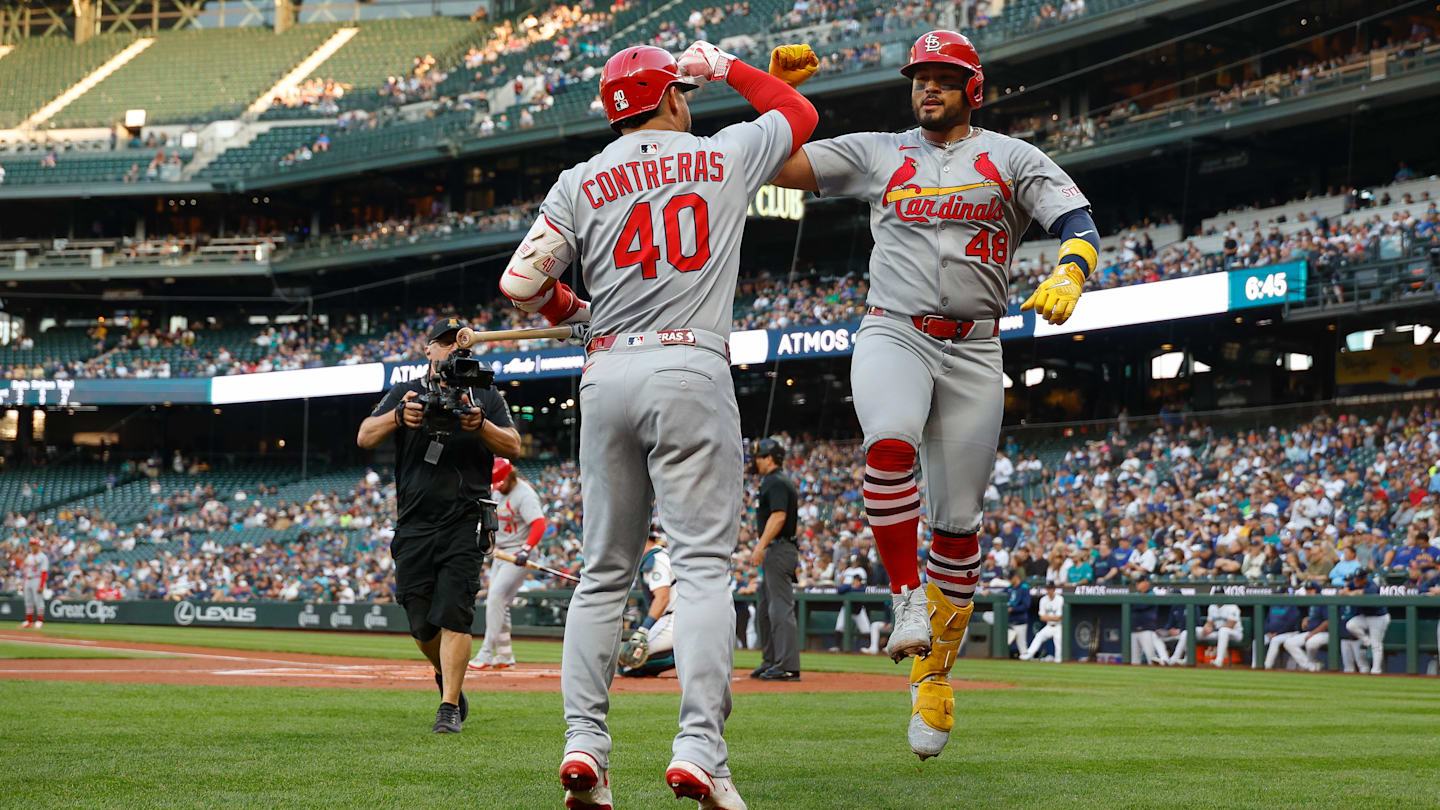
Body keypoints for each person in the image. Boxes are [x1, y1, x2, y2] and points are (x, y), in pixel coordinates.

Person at [497, 41, 816, 809]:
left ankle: (585, 748)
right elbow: (799, 113)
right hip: (689, 365)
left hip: (607, 374)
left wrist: (574, 314)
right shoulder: (724, 152)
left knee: (604, 572)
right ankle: (700, 750)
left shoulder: (579, 179)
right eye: (685, 89)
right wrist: (724, 64)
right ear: (672, 96)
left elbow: (520, 283)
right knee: (702, 568)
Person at [768, 29, 1099, 760]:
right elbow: (780, 164)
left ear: (971, 88)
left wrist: (1072, 270)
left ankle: (933, 680)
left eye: (945, 78)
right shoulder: (881, 150)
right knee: (888, 441)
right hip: (895, 331)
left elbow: (1076, 220)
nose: (929, 88)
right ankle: (903, 596)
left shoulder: (1012, 157)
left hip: (977, 345)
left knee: (958, 523)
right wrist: (777, 97)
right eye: (921, 77)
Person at [356, 316, 522, 734]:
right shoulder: (405, 392)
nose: (450, 350)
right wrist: (399, 416)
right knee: (419, 620)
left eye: (457, 343)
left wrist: (480, 423)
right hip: (414, 522)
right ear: (428, 349)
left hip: (465, 518)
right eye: (442, 343)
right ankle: (448, 675)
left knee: (454, 613)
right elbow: (364, 436)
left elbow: (514, 445)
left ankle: (449, 707)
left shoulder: (484, 394)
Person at [469, 457, 547, 671]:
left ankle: (486, 652)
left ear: (510, 476)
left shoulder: (525, 494)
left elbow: (539, 524)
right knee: (499, 602)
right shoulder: (496, 491)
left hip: (519, 554)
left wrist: (526, 549)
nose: (498, 488)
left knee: (495, 597)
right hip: (502, 553)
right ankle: (505, 655)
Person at [749, 437, 801, 681]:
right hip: (776, 549)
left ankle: (787, 665)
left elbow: (779, 516)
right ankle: (771, 661)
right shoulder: (773, 481)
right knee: (765, 609)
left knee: (779, 608)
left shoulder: (776, 481)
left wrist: (760, 546)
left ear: (769, 458)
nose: (756, 461)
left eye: (759, 457)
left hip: (780, 548)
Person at [618, 528, 678, 678]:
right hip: (681, 616)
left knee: (628, 662)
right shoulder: (662, 554)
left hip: (673, 619)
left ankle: (681, 656)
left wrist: (643, 630)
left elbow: (662, 598)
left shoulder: (655, 559)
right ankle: (685, 653)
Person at [1341, 569, 1389, 675]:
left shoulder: (1371, 584)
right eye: (1355, 579)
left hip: (1378, 617)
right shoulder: (1354, 583)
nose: (1356, 581)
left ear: (1365, 578)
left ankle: (1376, 671)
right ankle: (1367, 640)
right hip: (1365, 617)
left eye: (1359, 579)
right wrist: (1351, 592)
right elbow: (1343, 591)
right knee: (1351, 625)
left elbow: (1365, 593)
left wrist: (1353, 593)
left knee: (1376, 644)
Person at [1020, 583, 1064, 662]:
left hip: (1058, 626)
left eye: (1050, 588)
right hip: (1049, 626)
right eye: (1047, 588)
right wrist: (1051, 617)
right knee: (1038, 636)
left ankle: (1058, 660)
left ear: (1054, 589)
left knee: (1059, 643)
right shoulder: (1043, 599)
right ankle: (1028, 654)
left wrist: (1048, 617)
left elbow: (1058, 618)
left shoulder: (1060, 599)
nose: (1048, 590)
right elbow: (1042, 617)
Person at [1129, 576, 1168, 665]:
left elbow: (1141, 605)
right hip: (1134, 630)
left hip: (1146, 630)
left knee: (1151, 658)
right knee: (1134, 661)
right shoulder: (1134, 595)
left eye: (1140, 582)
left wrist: (1135, 603)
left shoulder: (1152, 594)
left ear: (1147, 583)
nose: (1137, 584)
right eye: (1137, 582)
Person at [1262, 601, 1303, 670]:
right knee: (1257, 641)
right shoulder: (1273, 605)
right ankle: (1255, 665)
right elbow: (1267, 621)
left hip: (1288, 633)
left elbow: (1290, 623)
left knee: (1275, 640)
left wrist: (1277, 633)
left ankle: (1267, 666)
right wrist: (1268, 631)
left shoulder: (1291, 606)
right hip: (1271, 634)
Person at [20, 538, 49, 629]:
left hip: (37, 578)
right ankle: (29, 621)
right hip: (28, 579)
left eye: (35, 544)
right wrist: (23, 583)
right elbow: (26, 570)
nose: (33, 546)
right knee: (28, 600)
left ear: (38, 545)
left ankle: (39, 621)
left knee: (38, 600)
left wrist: (41, 585)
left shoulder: (43, 556)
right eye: (32, 544)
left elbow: (44, 572)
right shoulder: (29, 556)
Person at [1005, 568, 1031, 654]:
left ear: (1016, 577)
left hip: (1020, 621)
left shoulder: (1024, 587)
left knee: (1022, 647)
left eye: (1011, 578)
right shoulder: (1009, 588)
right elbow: (1000, 596)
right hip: (1008, 623)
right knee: (1003, 645)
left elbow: (1026, 605)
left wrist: (1013, 609)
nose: (1010, 580)